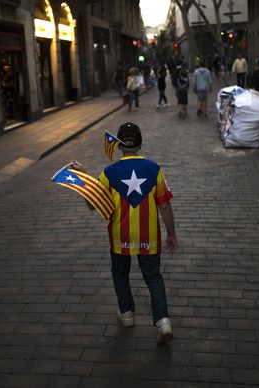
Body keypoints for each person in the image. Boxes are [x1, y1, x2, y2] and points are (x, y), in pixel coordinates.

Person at [71, 122, 177, 344]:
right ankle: (163, 321)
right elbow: (165, 205)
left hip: (120, 236)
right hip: (149, 237)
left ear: (119, 145)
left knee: (120, 274)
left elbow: (93, 204)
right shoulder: (153, 168)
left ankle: (127, 314)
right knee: (153, 276)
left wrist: (82, 177)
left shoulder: (108, 173)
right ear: (140, 143)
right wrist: (171, 234)